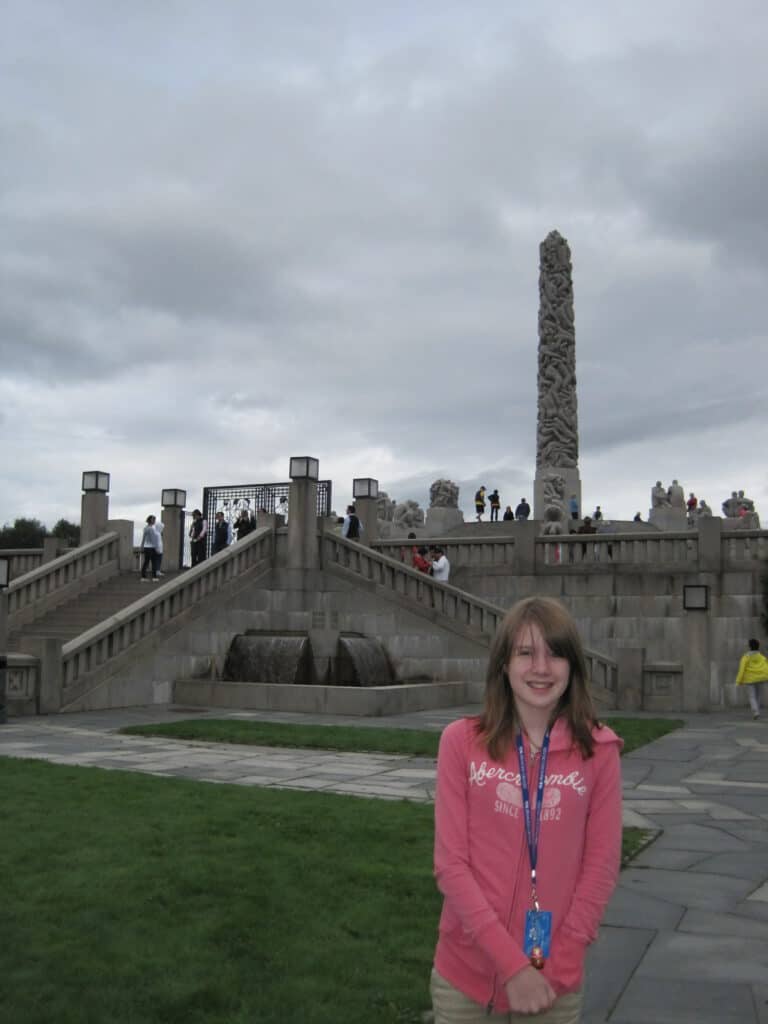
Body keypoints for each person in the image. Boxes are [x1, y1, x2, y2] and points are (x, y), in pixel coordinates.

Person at [430, 597, 622, 1022]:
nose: (541, 667)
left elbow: (601, 868)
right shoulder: (461, 743)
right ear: (503, 663)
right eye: (525, 653)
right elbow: (450, 864)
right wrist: (511, 965)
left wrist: (560, 962)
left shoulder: (600, 751)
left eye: (555, 653)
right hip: (465, 978)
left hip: (554, 980)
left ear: (573, 667)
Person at [735, 639, 768, 720]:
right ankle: (758, 711)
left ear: (749, 646)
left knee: (752, 696)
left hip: (750, 680)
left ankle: (755, 712)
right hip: (760, 678)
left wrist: (738, 681)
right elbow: (766, 667)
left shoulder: (746, 657)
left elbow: (741, 669)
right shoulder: (762, 657)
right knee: (758, 696)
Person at [139, 515, 160, 582]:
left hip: (146, 547)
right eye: (153, 519)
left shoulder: (145, 528)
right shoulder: (151, 529)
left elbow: (143, 538)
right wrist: (157, 548)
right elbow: (153, 539)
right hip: (151, 548)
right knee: (154, 562)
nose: (154, 521)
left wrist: (142, 546)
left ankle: (143, 576)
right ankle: (154, 577)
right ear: (151, 520)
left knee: (146, 562)